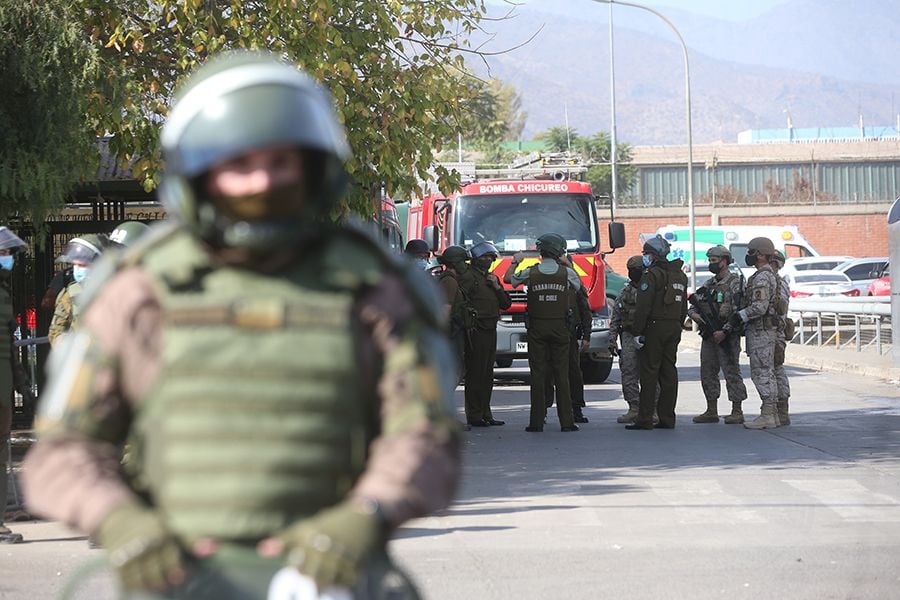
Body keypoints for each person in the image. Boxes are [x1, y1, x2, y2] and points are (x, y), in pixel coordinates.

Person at [23, 51, 460, 598]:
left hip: (331, 577)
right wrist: (119, 521)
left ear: (313, 167)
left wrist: (364, 515)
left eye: (281, 162)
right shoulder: (140, 290)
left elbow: (426, 434)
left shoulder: (371, 287)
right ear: (201, 173)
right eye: (239, 164)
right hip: (177, 574)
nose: (260, 182)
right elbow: (63, 449)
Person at [506, 233, 580, 432]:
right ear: (558, 252)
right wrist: (568, 264)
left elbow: (507, 279)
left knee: (538, 374)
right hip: (560, 328)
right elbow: (579, 286)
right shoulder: (566, 273)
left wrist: (515, 261)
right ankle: (567, 422)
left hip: (537, 328)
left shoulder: (531, 272)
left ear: (541, 251)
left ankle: (536, 422)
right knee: (562, 375)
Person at [625, 234, 688, 430]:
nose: (645, 257)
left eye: (646, 254)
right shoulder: (680, 275)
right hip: (673, 326)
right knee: (669, 372)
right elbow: (683, 305)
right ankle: (667, 418)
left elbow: (644, 306)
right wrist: (677, 324)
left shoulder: (651, 275)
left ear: (652, 255)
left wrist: (637, 332)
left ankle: (644, 419)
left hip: (654, 326)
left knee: (649, 372)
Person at [687, 245, 748, 425]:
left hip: (728, 336)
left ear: (725, 261)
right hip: (709, 336)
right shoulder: (709, 284)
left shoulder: (735, 283)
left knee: (731, 372)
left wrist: (725, 331)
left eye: (715, 261)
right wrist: (696, 316)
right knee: (707, 371)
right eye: (710, 261)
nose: (711, 264)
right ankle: (711, 409)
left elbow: (739, 311)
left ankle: (737, 410)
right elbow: (693, 306)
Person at [460, 241, 510, 427]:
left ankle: (486, 413)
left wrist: (496, 287)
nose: (488, 260)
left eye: (491, 257)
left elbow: (506, 304)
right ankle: (474, 415)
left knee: (488, 374)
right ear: (475, 259)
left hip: (491, 328)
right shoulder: (468, 277)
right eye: (484, 257)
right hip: (476, 329)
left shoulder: (491, 277)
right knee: (476, 373)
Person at [0, 226, 27, 544]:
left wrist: (20, 383)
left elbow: (10, 345)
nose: (8, 259)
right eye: (4, 253)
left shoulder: (4, 294)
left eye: (9, 254)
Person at [737, 237, 780, 429]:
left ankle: (768, 414)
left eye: (752, 252)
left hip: (761, 331)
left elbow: (759, 307)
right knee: (767, 372)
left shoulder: (762, 277)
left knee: (761, 372)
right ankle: (772, 414)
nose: (749, 255)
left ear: (761, 255)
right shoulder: (767, 274)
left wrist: (740, 316)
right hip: (763, 331)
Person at [544, 254, 591, 423]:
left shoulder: (574, 285)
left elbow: (585, 311)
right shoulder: (545, 281)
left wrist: (587, 336)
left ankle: (576, 408)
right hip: (549, 333)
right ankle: (542, 409)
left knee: (573, 372)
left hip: (569, 334)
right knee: (546, 372)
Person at [47, 234, 108, 346]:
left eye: (82, 265)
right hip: (82, 360)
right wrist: (73, 345)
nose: (77, 269)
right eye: (75, 264)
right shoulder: (71, 293)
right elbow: (55, 331)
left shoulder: (116, 289)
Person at [609, 255, 650, 424]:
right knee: (628, 371)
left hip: (647, 335)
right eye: (631, 270)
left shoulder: (650, 290)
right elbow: (616, 316)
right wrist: (611, 339)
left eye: (637, 270)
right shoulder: (625, 291)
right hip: (627, 335)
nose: (633, 273)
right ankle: (634, 407)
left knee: (648, 372)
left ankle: (650, 409)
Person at [770, 249, 792, 425]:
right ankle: (778, 411)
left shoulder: (778, 284)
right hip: (773, 332)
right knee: (774, 370)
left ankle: (782, 411)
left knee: (777, 370)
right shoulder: (773, 281)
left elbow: (779, 310)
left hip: (776, 333)